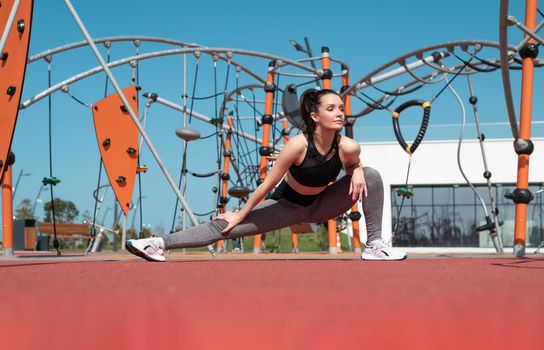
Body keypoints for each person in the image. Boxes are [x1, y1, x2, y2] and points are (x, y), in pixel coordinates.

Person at [126, 88, 407, 262]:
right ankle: (156, 244)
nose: (339, 114)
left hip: (321, 206)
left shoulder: (348, 146)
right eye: (330, 109)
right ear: (314, 115)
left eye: (341, 109)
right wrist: (240, 213)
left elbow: (353, 167)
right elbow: (267, 185)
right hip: (285, 206)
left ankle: (374, 246)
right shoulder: (297, 145)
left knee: (370, 174)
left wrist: (356, 169)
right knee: (225, 228)